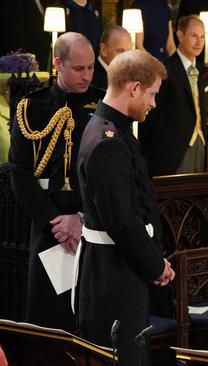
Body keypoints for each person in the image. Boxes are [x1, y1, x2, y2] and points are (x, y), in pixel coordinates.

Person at [76, 49, 174, 366]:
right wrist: (155, 265)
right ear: (133, 88)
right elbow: (122, 222)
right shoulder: (107, 141)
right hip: (113, 273)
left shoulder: (113, 130)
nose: (153, 103)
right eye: (151, 94)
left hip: (122, 267)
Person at [8, 32, 103, 333]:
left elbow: (110, 174)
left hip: (92, 224)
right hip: (48, 224)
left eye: (90, 67)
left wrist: (81, 219)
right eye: (79, 68)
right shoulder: (30, 107)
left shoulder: (103, 105)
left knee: (90, 317)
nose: (87, 76)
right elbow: (19, 173)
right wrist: (57, 223)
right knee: (48, 320)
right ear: (58, 63)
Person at [142, 15, 208, 175]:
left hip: (199, 145)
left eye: (202, 37)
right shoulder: (165, 70)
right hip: (172, 151)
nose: (199, 42)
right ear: (180, 35)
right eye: (194, 36)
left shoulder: (204, 70)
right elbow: (151, 115)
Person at [92, 25, 131, 90]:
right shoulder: (91, 77)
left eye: (128, 51)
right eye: (120, 51)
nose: (126, 57)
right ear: (104, 49)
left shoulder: (131, 72)